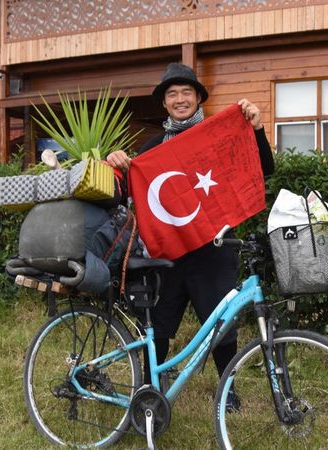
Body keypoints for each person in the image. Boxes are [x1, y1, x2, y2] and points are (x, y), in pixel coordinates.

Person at [106, 62, 274, 412]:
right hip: (168, 254)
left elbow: (264, 168)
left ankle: (227, 389)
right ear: (164, 103)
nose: (180, 99)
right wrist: (117, 163)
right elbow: (128, 194)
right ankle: (152, 390)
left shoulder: (219, 136)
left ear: (198, 98)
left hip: (213, 249)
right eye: (172, 94)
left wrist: (256, 128)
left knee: (223, 328)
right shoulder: (151, 150)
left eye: (187, 92)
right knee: (159, 327)